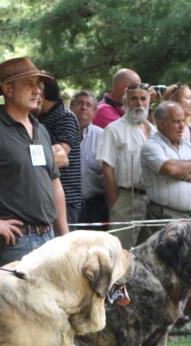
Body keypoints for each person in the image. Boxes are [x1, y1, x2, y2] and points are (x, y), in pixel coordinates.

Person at [0, 56, 69, 267]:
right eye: (28, 84)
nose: (37, 90)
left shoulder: (41, 130)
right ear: (8, 90)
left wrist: (65, 237)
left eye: (38, 84)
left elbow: (54, 185)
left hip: (48, 239)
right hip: (14, 242)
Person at [97, 83, 156, 249]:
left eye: (143, 98)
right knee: (120, 253)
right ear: (125, 102)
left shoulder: (154, 130)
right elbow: (107, 171)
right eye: (133, 99)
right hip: (125, 198)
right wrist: (116, 203)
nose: (138, 103)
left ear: (149, 101)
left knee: (149, 254)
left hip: (152, 201)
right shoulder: (114, 130)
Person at [141, 101, 191, 230]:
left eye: (183, 121)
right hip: (164, 217)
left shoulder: (189, 146)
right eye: (176, 122)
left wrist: (182, 174)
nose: (182, 126)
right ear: (161, 124)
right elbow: (170, 168)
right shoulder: (151, 146)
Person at [39, 75, 83, 223]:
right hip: (47, 198)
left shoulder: (65, 117)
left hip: (67, 200)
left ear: (42, 92)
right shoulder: (41, 116)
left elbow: (61, 157)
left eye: (34, 86)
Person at [70, 90, 108, 230]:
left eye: (88, 105)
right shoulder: (59, 133)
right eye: (80, 103)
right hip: (66, 206)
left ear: (94, 111)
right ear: (71, 106)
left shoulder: (102, 136)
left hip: (94, 207)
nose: (84, 107)